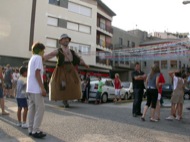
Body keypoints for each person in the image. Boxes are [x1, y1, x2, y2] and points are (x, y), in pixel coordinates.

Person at [43, 34, 89, 108]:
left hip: (71, 69)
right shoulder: (58, 51)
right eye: (64, 39)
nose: (66, 40)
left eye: (67, 39)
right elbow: (49, 55)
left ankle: (68, 99)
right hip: (61, 69)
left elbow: (79, 59)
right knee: (62, 84)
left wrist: (85, 64)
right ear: (60, 41)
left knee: (75, 83)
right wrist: (40, 57)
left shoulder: (72, 51)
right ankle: (62, 98)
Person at [26, 42, 47, 138]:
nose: (44, 52)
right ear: (40, 50)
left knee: (32, 109)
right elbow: (37, 73)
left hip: (30, 88)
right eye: (43, 50)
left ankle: (30, 129)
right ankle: (36, 130)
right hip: (36, 89)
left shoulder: (32, 58)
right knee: (40, 109)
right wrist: (42, 88)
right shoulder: (38, 58)